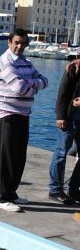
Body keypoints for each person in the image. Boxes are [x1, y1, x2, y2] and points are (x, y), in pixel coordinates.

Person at [0, 28, 48, 212]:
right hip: (8, 115)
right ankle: (1, 198)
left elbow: (44, 80)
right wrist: (33, 85)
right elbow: (19, 88)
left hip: (23, 115)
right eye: (16, 42)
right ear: (9, 42)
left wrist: (31, 84)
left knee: (19, 158)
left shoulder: (26, 62)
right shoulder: (4, 62)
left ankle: (11, 193)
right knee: (7, 158)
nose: (19, 46)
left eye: (23, 43)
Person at [48, 65, 80, 204]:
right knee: (61, 153)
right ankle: (55, 190)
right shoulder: (73, 69)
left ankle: (73, 189)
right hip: (70, 117)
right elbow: (63, 92)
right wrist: (60, 115)